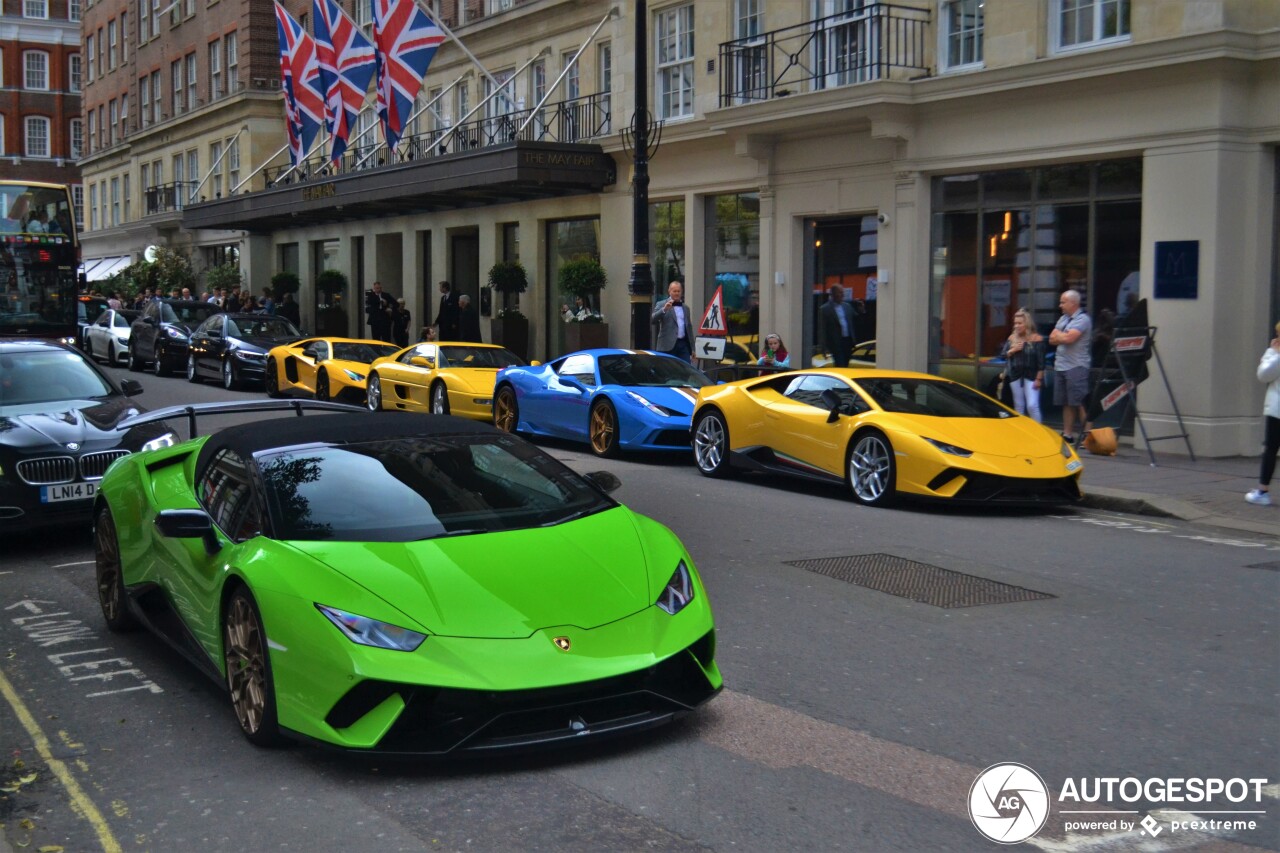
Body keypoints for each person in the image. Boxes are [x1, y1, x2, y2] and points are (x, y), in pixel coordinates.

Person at [1048, 289, 1093, 445]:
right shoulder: (1063, 319)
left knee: (1080, 401)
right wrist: (1062, 336)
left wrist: (1061, 336)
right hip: (1061, 365)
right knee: (1066, 402)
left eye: (1063, 302)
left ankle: (1088, 436)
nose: (1060, 305)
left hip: (1076, 366)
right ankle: (1068, 434)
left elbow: (1069, 338)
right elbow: (1051, 339)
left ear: (1073, 303)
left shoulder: (1083, 319)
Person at [1245, 322, 1280, 506]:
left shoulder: (1275, 353)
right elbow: (1263, 375)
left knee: (1271, 448)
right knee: (1271, 448)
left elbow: (1265, 374)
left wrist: (1275, 354)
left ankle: (1262, 491)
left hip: (1277, 410)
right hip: (1276, 409)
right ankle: (1262, 490)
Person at [998, 307, 1046, 423]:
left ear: (1027, 324)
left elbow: (1041, 362)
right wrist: (1013, 350)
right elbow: (1003, 355)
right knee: (1019, 406)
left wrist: (1039, 379)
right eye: (1015, 323)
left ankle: (1038, 431)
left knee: (1032, 405)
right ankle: (1021, 432)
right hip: (1015, 375)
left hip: (1032, 376)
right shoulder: (1012, 338)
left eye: (1020, 323)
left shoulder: (1036, 339)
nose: (1017, 326)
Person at [651, 280, 692, 363]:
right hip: (667, 344)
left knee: (686, 370)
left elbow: (689, 328)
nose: (677, 293)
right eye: (674, 291)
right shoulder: (661, 304)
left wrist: (692, 348)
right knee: (667, 371)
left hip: (683, 344)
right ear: (669, 291)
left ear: (681, 292)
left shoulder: (685, 308)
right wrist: (664, 309)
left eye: (678, 291)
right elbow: (653, 319)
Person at [820, 284, 857, 367]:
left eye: (842, 292)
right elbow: (822, 329)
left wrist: (862, 310)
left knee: (846, 364)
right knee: (840, 364)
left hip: (847, 341)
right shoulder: (825, 309)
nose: (842, 295)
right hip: (836, 343)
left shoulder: (847, 306)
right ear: (833, 294)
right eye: (840, 292)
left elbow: (856, 319)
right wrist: (823, 348)